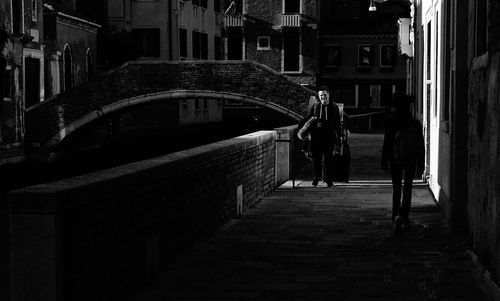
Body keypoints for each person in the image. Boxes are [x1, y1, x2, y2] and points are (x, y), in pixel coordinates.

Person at [381, 95, 425, 234]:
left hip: (396, 159)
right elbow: (420, 145)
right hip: (411, 160)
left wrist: (384, 160)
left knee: (396, 188)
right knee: (407, 188)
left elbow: (387, 143)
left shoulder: (391, 122)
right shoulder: (415, 124)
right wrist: (421, 163)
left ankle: (396, 215)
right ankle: (405, 215)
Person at [299, 86, 341, 187]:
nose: (323, 97)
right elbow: (306, 120)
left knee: (328, 160)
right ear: (319, 96)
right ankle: (316, 178)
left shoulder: (334, 107)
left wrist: (339, 136)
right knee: (316, 160)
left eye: (325, 95)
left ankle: (328, 180)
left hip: (329, 137)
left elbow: (338, 123)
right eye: (321, 95)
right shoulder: (315, 106)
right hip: (316, 138)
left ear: (328, 95)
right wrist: (307, 127)